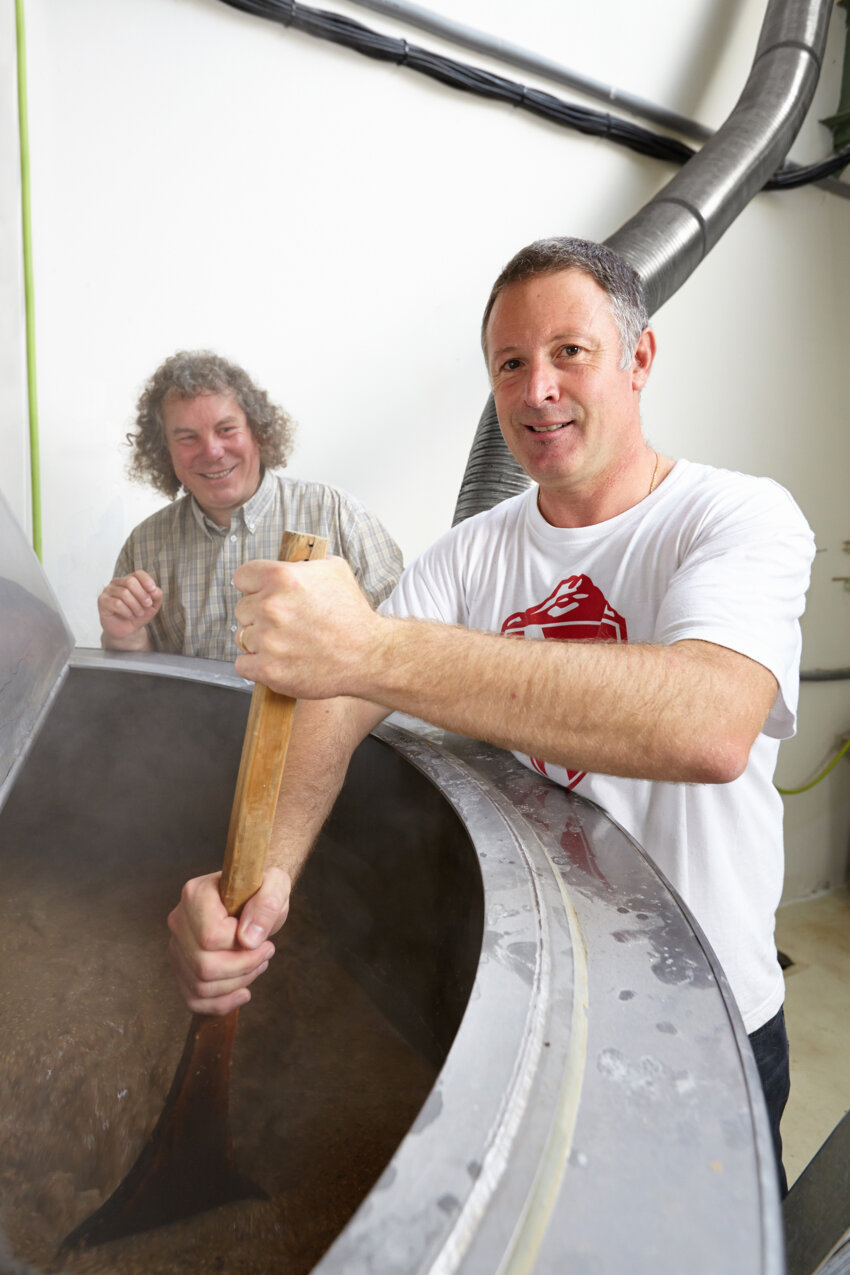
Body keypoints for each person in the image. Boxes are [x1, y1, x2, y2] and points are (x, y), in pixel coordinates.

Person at [167, 239, 814, 1193]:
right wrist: (258, 883)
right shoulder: (473, 554)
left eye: (570, 353)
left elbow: (708, 724)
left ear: (638, 360)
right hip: (550, 1002)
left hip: (710, 1016)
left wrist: (371, 647)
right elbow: (336, 712)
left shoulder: (737, 518)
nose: (537, 388)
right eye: (510, 364)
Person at [97, 351, 402, 659]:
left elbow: (400, 645)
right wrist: (127, 638)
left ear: (257, 431)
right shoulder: (144, 546)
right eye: (188, 437)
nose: (212, 451)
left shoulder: (335, 514)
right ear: (165, 451)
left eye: (226, 429)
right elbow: (140, 691)